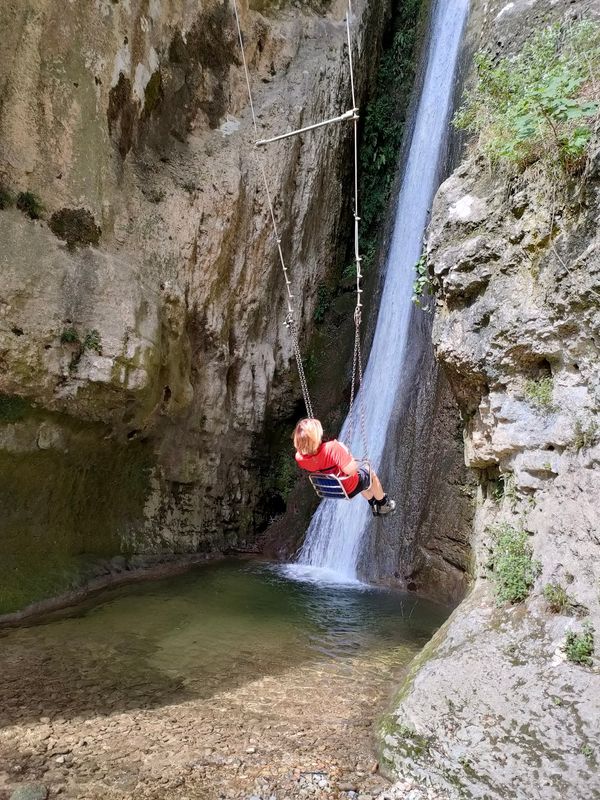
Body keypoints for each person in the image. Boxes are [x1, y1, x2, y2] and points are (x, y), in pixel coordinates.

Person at [293, 418, 396, 516]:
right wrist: (344, 450)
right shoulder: (332, 448)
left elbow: (315, 457)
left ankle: (373, 503)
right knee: (369, 474)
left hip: (335, 489)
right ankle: (383, 505)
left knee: (361, 478)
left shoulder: (300, 458)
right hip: (349, 485)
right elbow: (352, 470)